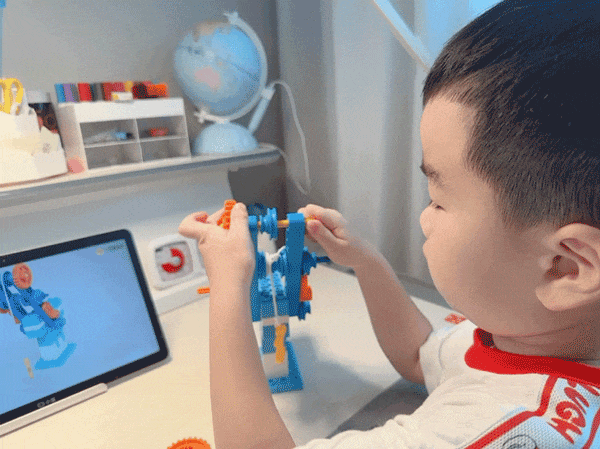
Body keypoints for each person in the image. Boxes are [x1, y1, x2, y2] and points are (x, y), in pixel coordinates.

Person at [177, 1, 600, 447]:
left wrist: (228, 287)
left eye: (438, 201)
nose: (424, 218)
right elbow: (419, 356)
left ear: (565, 267)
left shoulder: (506, 430)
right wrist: (365, 260)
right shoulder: (525, 333)